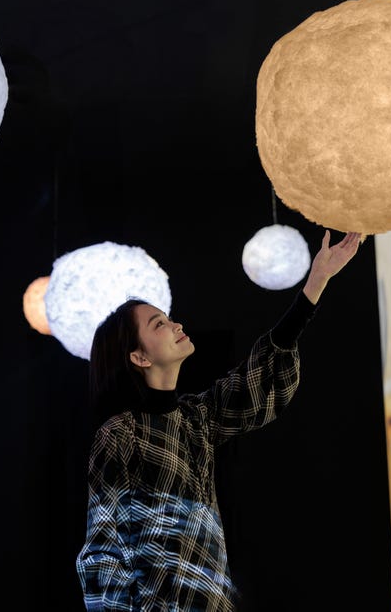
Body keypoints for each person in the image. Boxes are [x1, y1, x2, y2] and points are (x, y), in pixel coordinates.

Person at [75, 229, 363, 611]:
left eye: (169, 318)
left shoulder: (195, 420)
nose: (176, 325)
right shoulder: (121, 435)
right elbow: (103, 550)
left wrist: (316, 281)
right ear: (139, 357)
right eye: (159, 325)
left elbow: (258, 381)